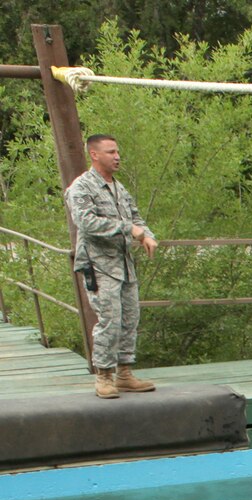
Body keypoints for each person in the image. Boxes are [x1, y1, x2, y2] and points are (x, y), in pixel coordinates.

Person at [66, 133, 158, 399]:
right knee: (109, 320)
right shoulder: (82, 188)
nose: (117, 157)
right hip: (99, 265)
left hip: (124, 264)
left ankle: (125, 374)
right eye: (110, 152)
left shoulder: (119, 188)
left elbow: (136, 216)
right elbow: (86, 222)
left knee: (130, 318)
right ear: (94, 155)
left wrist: (147, 234)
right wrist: (129, 229)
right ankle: (104, 376)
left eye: (117, 151)